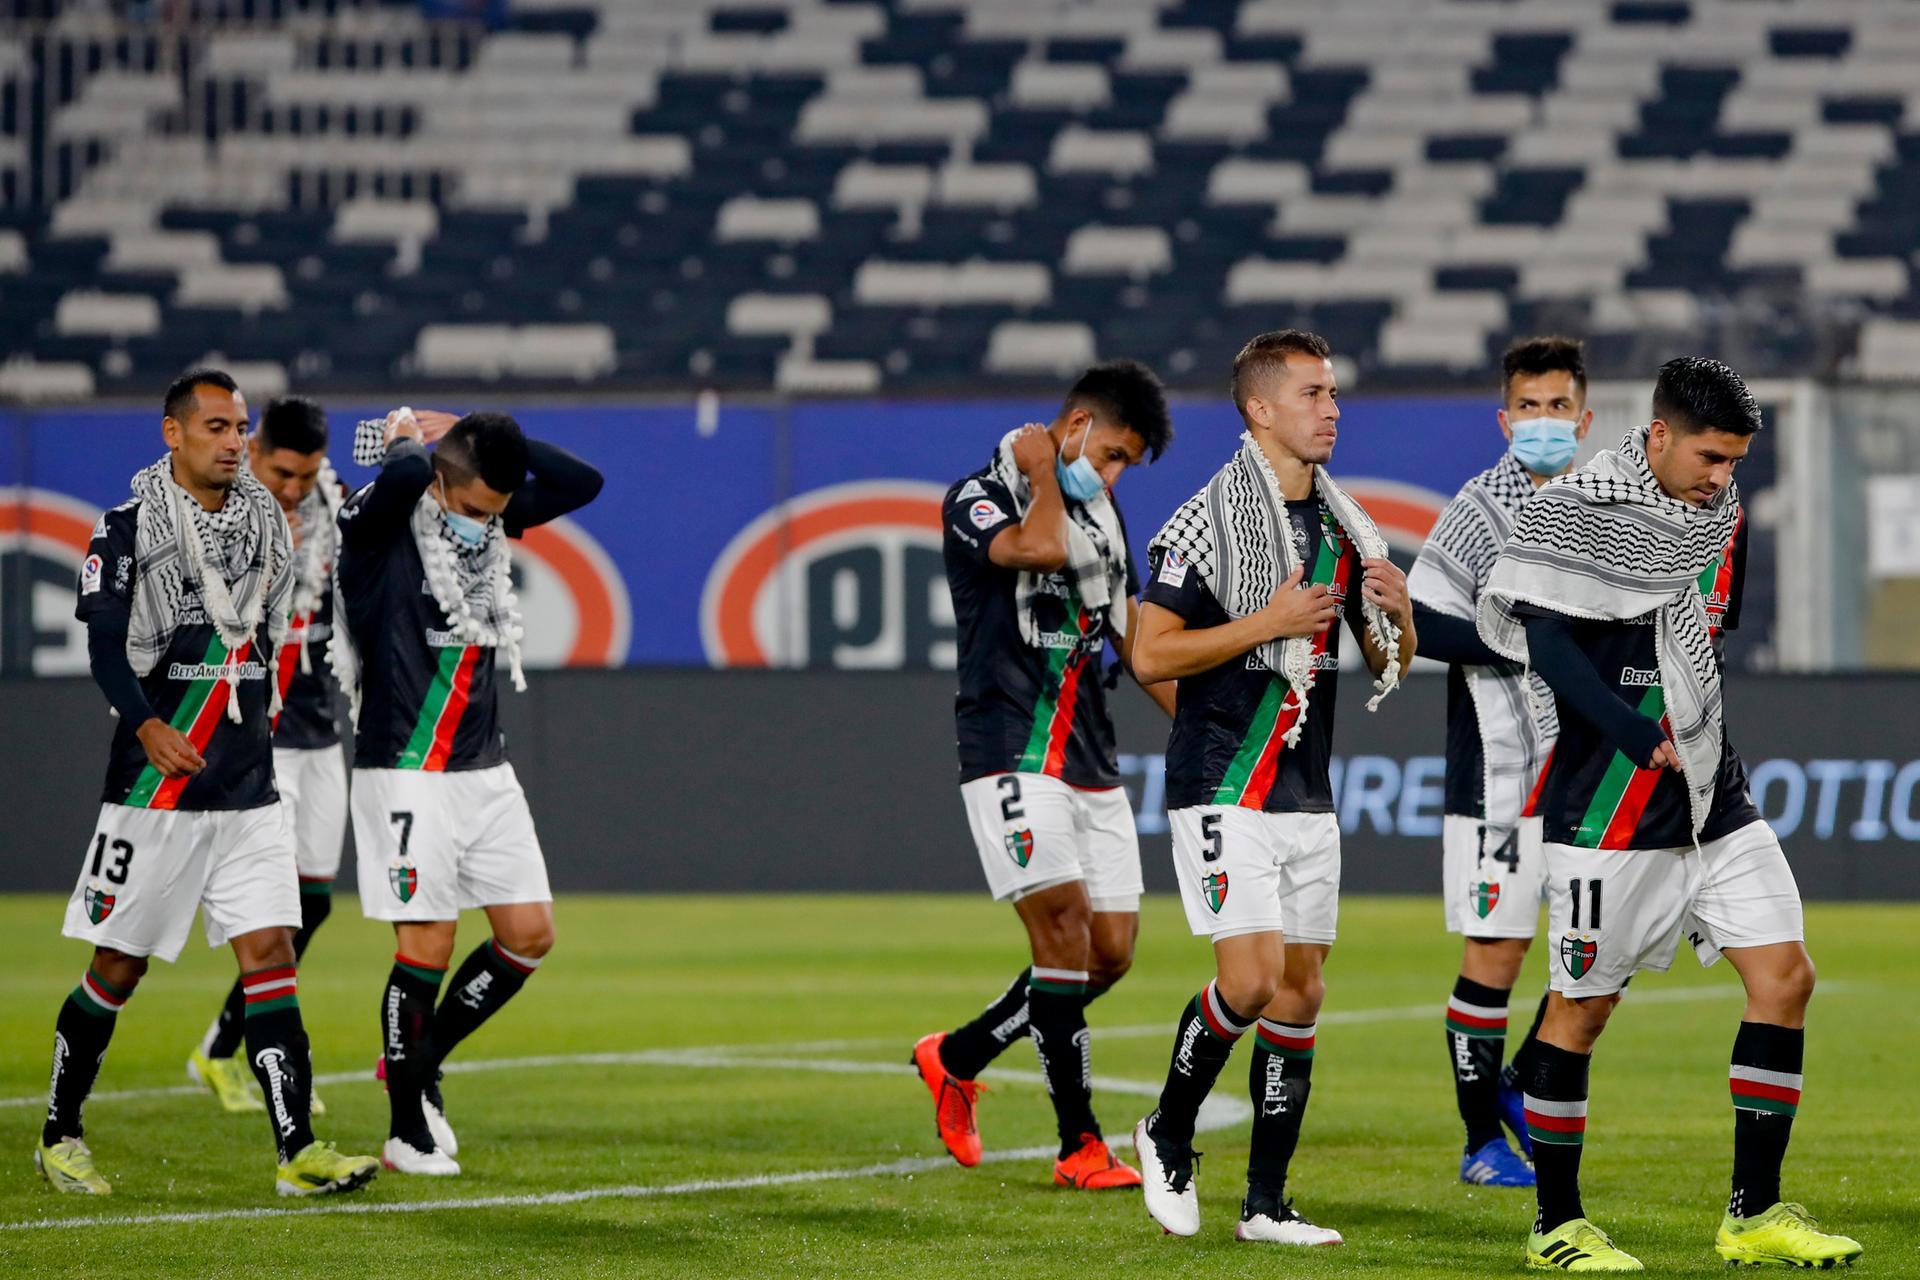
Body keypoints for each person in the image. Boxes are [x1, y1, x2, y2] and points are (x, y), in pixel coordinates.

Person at [1478, 356, 1863, 1272]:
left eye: (1734, 463)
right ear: (1656, 434)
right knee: (1581, 1012)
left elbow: (1695, 642)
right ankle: (1557, 1225)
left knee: (1787, 977)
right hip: (1606, 804)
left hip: (1709, 793)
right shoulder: (1571, 507)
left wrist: (1685, 738)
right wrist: (1626, 732)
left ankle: (1753, 1212)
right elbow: (1545, 638)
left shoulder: (1718, 519)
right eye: (1709, 456)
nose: (1721, 479)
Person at [40, 368, 377, 1197]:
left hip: (248, 789)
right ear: (174, 434)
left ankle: (296, 1151)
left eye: (239, 428)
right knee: (117, 968)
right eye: (218, 427)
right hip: (154, 793)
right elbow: (104, 647)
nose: (232, 442)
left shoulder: (273, 529)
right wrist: (148, 723)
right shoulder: (123, 530)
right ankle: (59, 1131)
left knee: (271, 955)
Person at [1128, 330, 1416, 1244]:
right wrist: (1265, 627)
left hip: (1304, 788)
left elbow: (1379, 657)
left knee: (1299, 993)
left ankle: (1266, 1202)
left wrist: (1395, 618)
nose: (1331, 409)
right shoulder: (1203, 521)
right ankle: (1167, 1131)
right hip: (1224, 786)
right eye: (1312, 394)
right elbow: (1147, 652)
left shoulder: (1342, 527)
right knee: (1248, 982)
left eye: (1333, 394)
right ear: (1259, 409)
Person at [911, 360, 1175, 1190]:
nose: (1113, 475)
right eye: (1112, 455)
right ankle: (1080, 1146)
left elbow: (1130, 637)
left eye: (1125, 464)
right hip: (1010, 750)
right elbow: (1036, 546)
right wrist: (1038, 473)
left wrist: (1203, 722)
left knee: (1111, 954)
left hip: (1091, 756)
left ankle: (955, 1055)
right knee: (1062, 942)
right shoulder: (975, 497)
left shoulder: (1103, 513)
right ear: (1075, 427)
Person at [336, 407, 601, 1176]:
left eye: (501, 509)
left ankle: (417, 1071)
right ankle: (402, 1133)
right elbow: (411, 475)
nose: (494, 524)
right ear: (446, 481)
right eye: (481, 507)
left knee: (529, 935)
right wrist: (413, 443)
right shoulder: (381, 524)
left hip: (483, 768)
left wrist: (479, 430)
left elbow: (582, 482)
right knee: (428, 944)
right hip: (406, 768)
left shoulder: (479, 523)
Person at [1407, 337, 1593, 1188]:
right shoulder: (1481, 510)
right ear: (1504, 418)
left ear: (1585, 419)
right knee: (1498, 954)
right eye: (1530, 406)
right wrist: (1523, 641)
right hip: (1499, 767)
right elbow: (1420, 623)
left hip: (1588, 762)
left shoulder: (1610, 508)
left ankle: (1516, 1079)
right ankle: (1481, 1142)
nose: (1545, 421)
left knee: (1601, 948)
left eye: (1560, 407)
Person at [188, 396, 346, 1117]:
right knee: (271, 912)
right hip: (256, 731)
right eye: (282, 471)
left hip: (320, 726)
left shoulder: (331, 505)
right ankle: (244, 1052)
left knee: (314, 901)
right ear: (252, 452)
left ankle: (220, 1046)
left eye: (306, 476)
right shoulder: (215, 510)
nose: (292, 488)